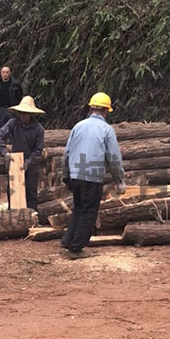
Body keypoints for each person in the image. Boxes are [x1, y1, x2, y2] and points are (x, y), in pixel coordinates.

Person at [60, 92, 125, 259]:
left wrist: (66, 174)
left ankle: (68, 241)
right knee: (89, 212)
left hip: (75, 174)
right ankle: (76, 248)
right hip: (92, 176)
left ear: (91, 108)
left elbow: (67, 153)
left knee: (78, 208)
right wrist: (119, 179)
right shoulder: (106, 130)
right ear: (106, 111)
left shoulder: (78, 126)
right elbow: (114, 158)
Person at [0, 96, 45, 210]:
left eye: (25, 113)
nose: (22, 115)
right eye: (21, 113)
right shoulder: (13, 123)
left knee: (31, 193)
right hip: (15, 162)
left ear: (31, 114)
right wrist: (5, 153)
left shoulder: (38, 129)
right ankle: (12, 217)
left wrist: (28, 162)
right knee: (12, 192)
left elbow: (38, 150)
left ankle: (32, 217)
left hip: (31, 165)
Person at [0, 66, 24, 132]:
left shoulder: (16, 84)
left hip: (11, 109)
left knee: (12, 127)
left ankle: (11, 142)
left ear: (10, 73)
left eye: (7, 72)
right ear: (1, 73)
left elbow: (19, 96)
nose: (5, 74)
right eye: (3, 72)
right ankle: (0, 142)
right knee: (0, 129)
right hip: (0, 109)